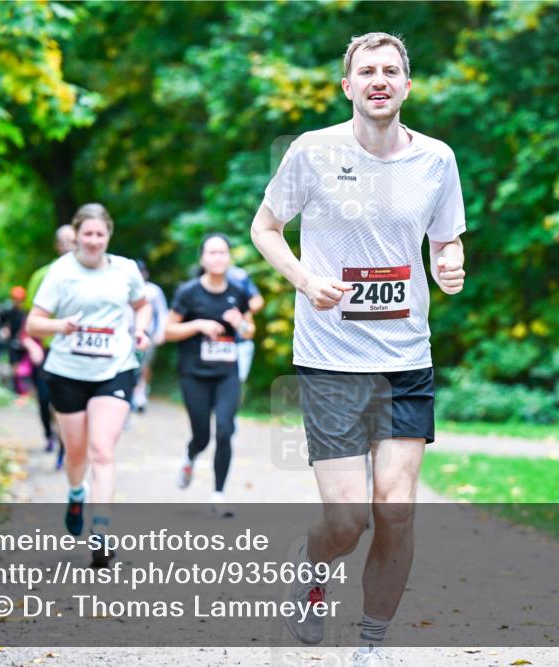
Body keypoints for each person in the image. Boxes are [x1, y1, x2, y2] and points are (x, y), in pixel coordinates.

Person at [250, 33, 466, 664]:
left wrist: (450, 265)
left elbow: (447, 240)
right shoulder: (312, 152)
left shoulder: (436, 159)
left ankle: (371, 642)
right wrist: (303, 279)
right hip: (330, 360)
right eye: (366, 71)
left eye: (391, 70)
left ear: (406, 84)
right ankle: (311, 570)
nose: (379, 79)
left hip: (405, 360)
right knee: (347, 521)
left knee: (396, 509)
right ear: (347, 86)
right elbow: (265, 228)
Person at [26, 203, 152, 566]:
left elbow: (141, 304)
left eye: (100, 234)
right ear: (76, 235)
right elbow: (35, 323)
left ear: (108, 235)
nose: (94, 241)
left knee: (102, 450)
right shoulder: (60, 273)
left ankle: (101, 533)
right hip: (67, 371)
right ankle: (76, 492)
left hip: (115, 368)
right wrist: (60, 327)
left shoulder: (126, 269)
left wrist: (140, 329)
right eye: (87, 234)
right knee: (77, 453)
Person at [164, 233, 255, 518]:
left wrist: (240, 323)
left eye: (223, 253)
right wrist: (199, 324)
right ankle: (191, 456)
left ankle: (218, 493)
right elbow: (168, 331)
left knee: (226, 430)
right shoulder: (188, 292)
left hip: (227, 373)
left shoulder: (239, 292)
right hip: (194, 374)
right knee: (202, 435)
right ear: (203, 258)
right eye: (212, 253)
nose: (218, 258)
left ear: (229, 258)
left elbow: (250, 331)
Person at [26, 224, 77, 462]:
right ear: (58, 246)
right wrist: (32, 346)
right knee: (46, 398)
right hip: (48, 349)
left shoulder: (92, 274)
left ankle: (67, 448)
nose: (69, 246)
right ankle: (51, 434)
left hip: (77, 350)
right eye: (64, 242)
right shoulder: (42, 275)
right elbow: (28, 321)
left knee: (68, 402)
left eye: (72, 241)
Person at [131, 259, 169, 413]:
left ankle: (141, 392)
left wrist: (161, 333)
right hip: (126, 335)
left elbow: (162, 312)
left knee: (145, 364)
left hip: (149, 334)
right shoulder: (124, 287)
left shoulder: (153, 291)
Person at [226, 265, 264, 384]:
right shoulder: (199, 276)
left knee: (235, 387)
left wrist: (241, 311)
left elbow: (258, 300)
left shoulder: (239, 275)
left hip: (240, 342)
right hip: (209, 343)